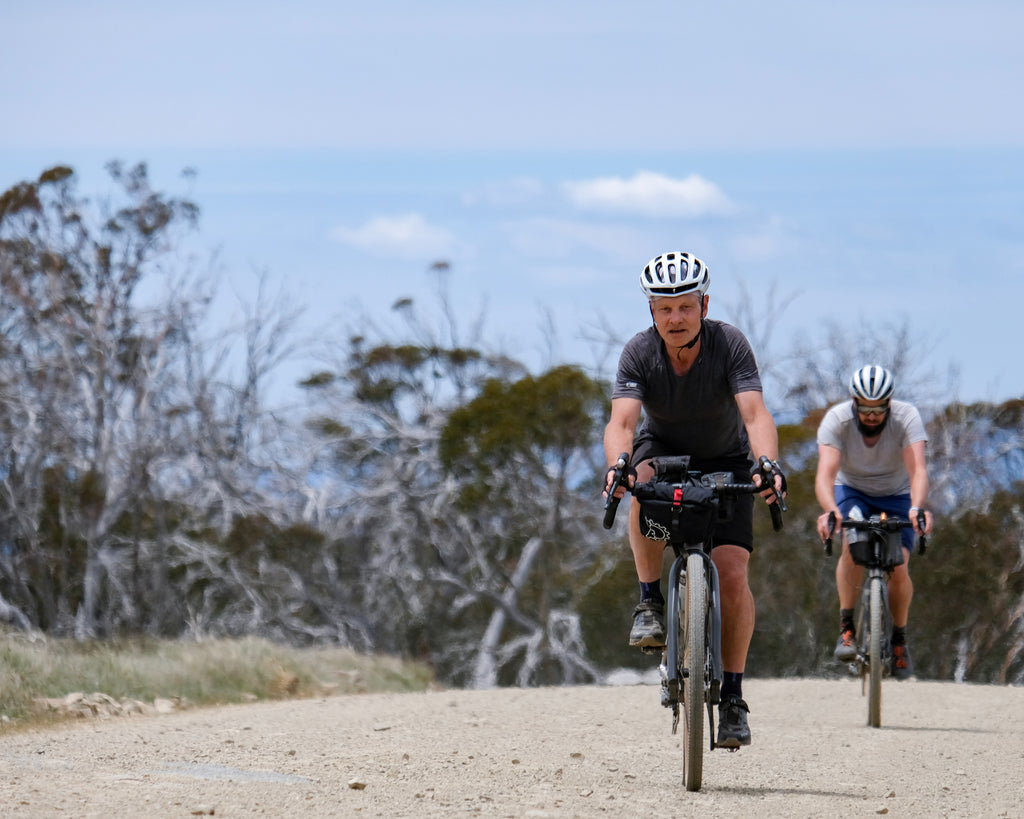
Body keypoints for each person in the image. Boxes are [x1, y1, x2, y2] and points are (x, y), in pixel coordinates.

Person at [602, 251, 785, 749]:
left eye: (685, 306)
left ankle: (732, 697)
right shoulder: (639, 353)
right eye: (665, 309)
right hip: (666, 457)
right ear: (652, 313)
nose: (676, 318)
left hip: (727, 458)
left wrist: (768, 464)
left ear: (703, 305)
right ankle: (650, 601)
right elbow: (621, 424)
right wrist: (617, 466)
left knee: (731, 575)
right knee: (638, 479)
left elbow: (755, 414)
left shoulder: (730, 346)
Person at [814, 364, 933, 680]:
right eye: (865, 408)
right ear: (854, 402)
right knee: (852, 546)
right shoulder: (837, 420)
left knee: (900, 566)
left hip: (897, 494)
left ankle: (899, 638)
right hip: (852, 490)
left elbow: (918, 470)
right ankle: (847, 627)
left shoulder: (907, 418)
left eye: (878, 409)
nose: (871, 415)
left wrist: (918, 507)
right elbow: (825, 473)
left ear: (889, 404)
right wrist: (829, 510)